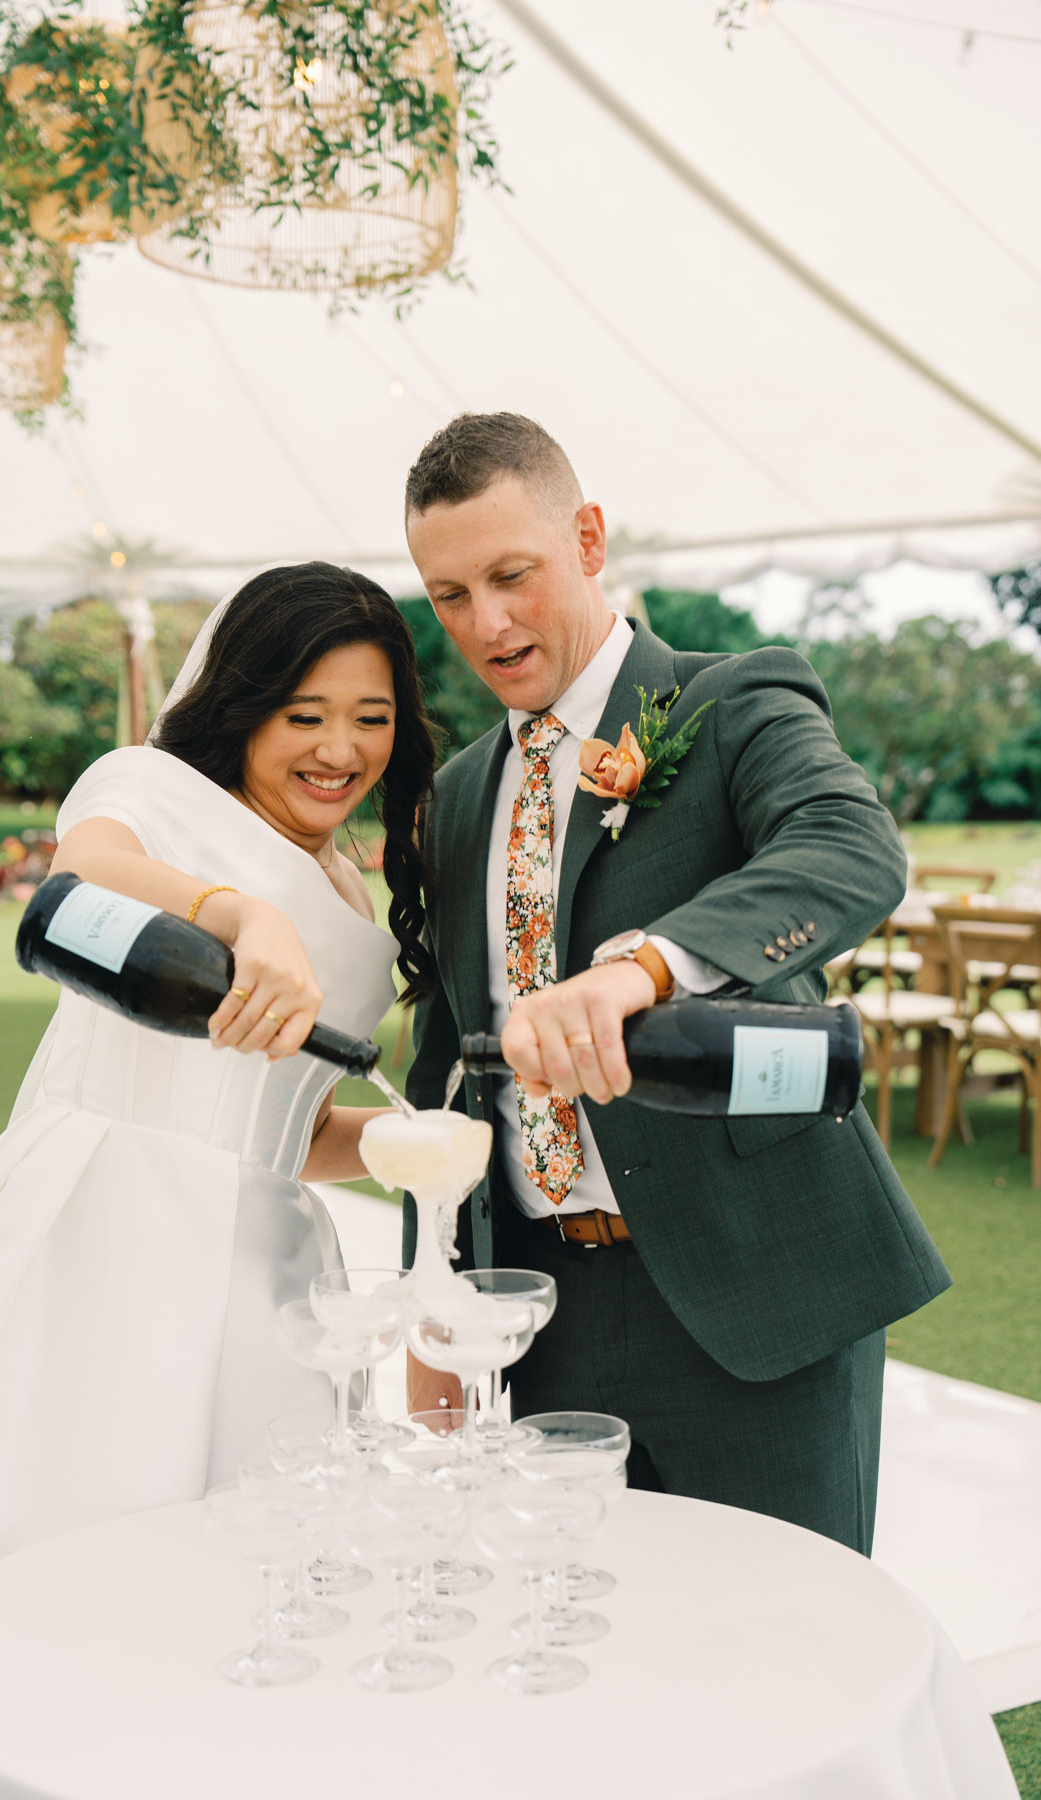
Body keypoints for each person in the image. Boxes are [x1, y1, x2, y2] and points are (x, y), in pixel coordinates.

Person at [0, 562, 435, 1792]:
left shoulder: (349, 887)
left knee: (237, 1586)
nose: (340, 750)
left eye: (370, 719)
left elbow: (301, 1117)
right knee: (68, 1536)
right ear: (244, 702)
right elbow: (82, 867)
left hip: (264, 1263)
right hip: (109, 1220)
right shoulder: (148, 791)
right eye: (305, 714)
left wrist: (408, 1146)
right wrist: (239, 918)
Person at [401, 411, 950, 1555]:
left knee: (785, 1659)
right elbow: (445, 1073)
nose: (486, 624)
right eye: (449, 595)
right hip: (539, 1312)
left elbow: (851, 848)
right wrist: (435, 1307)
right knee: (588, 1660)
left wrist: (643, 970)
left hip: (758, 1292)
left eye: (512, 575)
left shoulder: (733, 697)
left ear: (589, 539)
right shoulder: (454, 797)